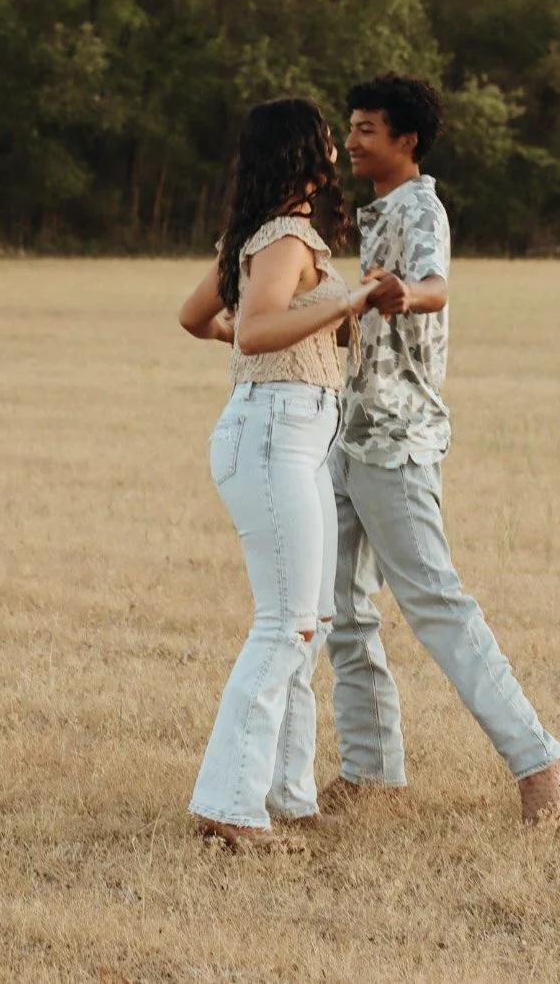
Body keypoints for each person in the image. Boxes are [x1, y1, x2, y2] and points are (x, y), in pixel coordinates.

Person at [323, 73, 560, 828]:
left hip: (398, 441)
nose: (351, 140)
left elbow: (437, 285)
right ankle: (371, 771)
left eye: (366, 129)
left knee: (436, 603)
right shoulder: (377, 213)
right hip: (355, 429)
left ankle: (541, 760)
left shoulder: (419, 207)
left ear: (406, 140)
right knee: (341, 606)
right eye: (351, 127)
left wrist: (407, 293)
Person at [178, 96, 375, 853]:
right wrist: (349, 300)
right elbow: (256, 329)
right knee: (285, 624)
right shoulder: (287, 237)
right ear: (305, 154)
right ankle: (229, 806)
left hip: (289, 433)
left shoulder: (255, 237)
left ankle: (290, 796)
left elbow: (201, 317)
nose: (335, 153)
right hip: (273, 436)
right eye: (327, 141)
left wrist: (274, 334)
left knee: (310, 623)